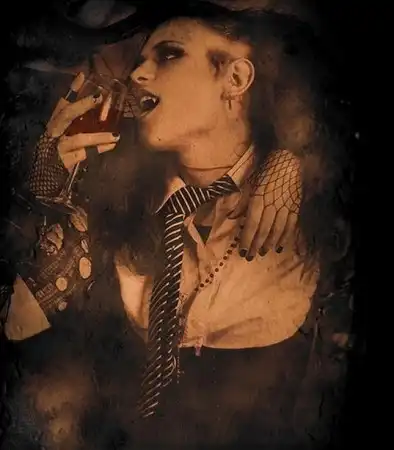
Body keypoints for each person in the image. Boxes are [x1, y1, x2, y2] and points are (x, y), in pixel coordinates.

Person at [2, 1, 353, 449]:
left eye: (169, 54)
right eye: (140, 60)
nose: (137, 74)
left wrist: (298, 158)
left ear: (236, 79)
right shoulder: (115, 203)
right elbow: (16, 329)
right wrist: (42, 195)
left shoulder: (313, 203)